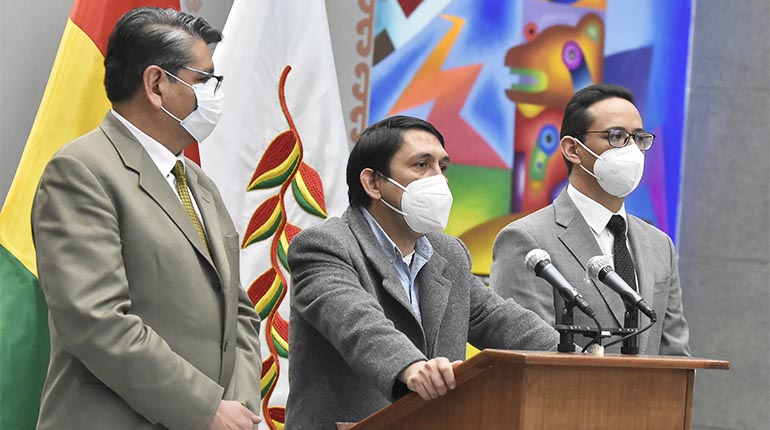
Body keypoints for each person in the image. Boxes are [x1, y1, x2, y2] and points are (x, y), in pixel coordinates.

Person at [31, 8, 262, 430]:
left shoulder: (198, 184)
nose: (214, 94)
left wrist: (241, 408)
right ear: (156, 85)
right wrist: (205, 409)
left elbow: (240, 313)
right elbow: (96, 321)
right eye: (204, 80)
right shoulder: (82, 172)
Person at [285, 115, 559, 429]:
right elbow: (356, 322)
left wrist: (579, 358)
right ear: (373, 183)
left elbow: (498, 319)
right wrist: (411, 366)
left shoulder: (448, 253)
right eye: (422, 165)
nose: (439, 180)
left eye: (443, 167)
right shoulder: (323, 246)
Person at [490, 83, 690, 356]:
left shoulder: (659, 245)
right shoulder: (525, 239)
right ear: (573, 149)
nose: (632, 150)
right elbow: (528, 354)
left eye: (638, 137)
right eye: (617, 136)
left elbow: (675, 356)